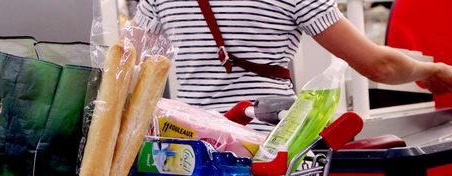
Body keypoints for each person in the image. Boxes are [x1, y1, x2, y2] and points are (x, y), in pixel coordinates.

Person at [132, 0, 452, 131]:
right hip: (270, 150)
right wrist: (431, 71)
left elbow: (128, 67)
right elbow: (378, 66)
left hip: (191, 151)